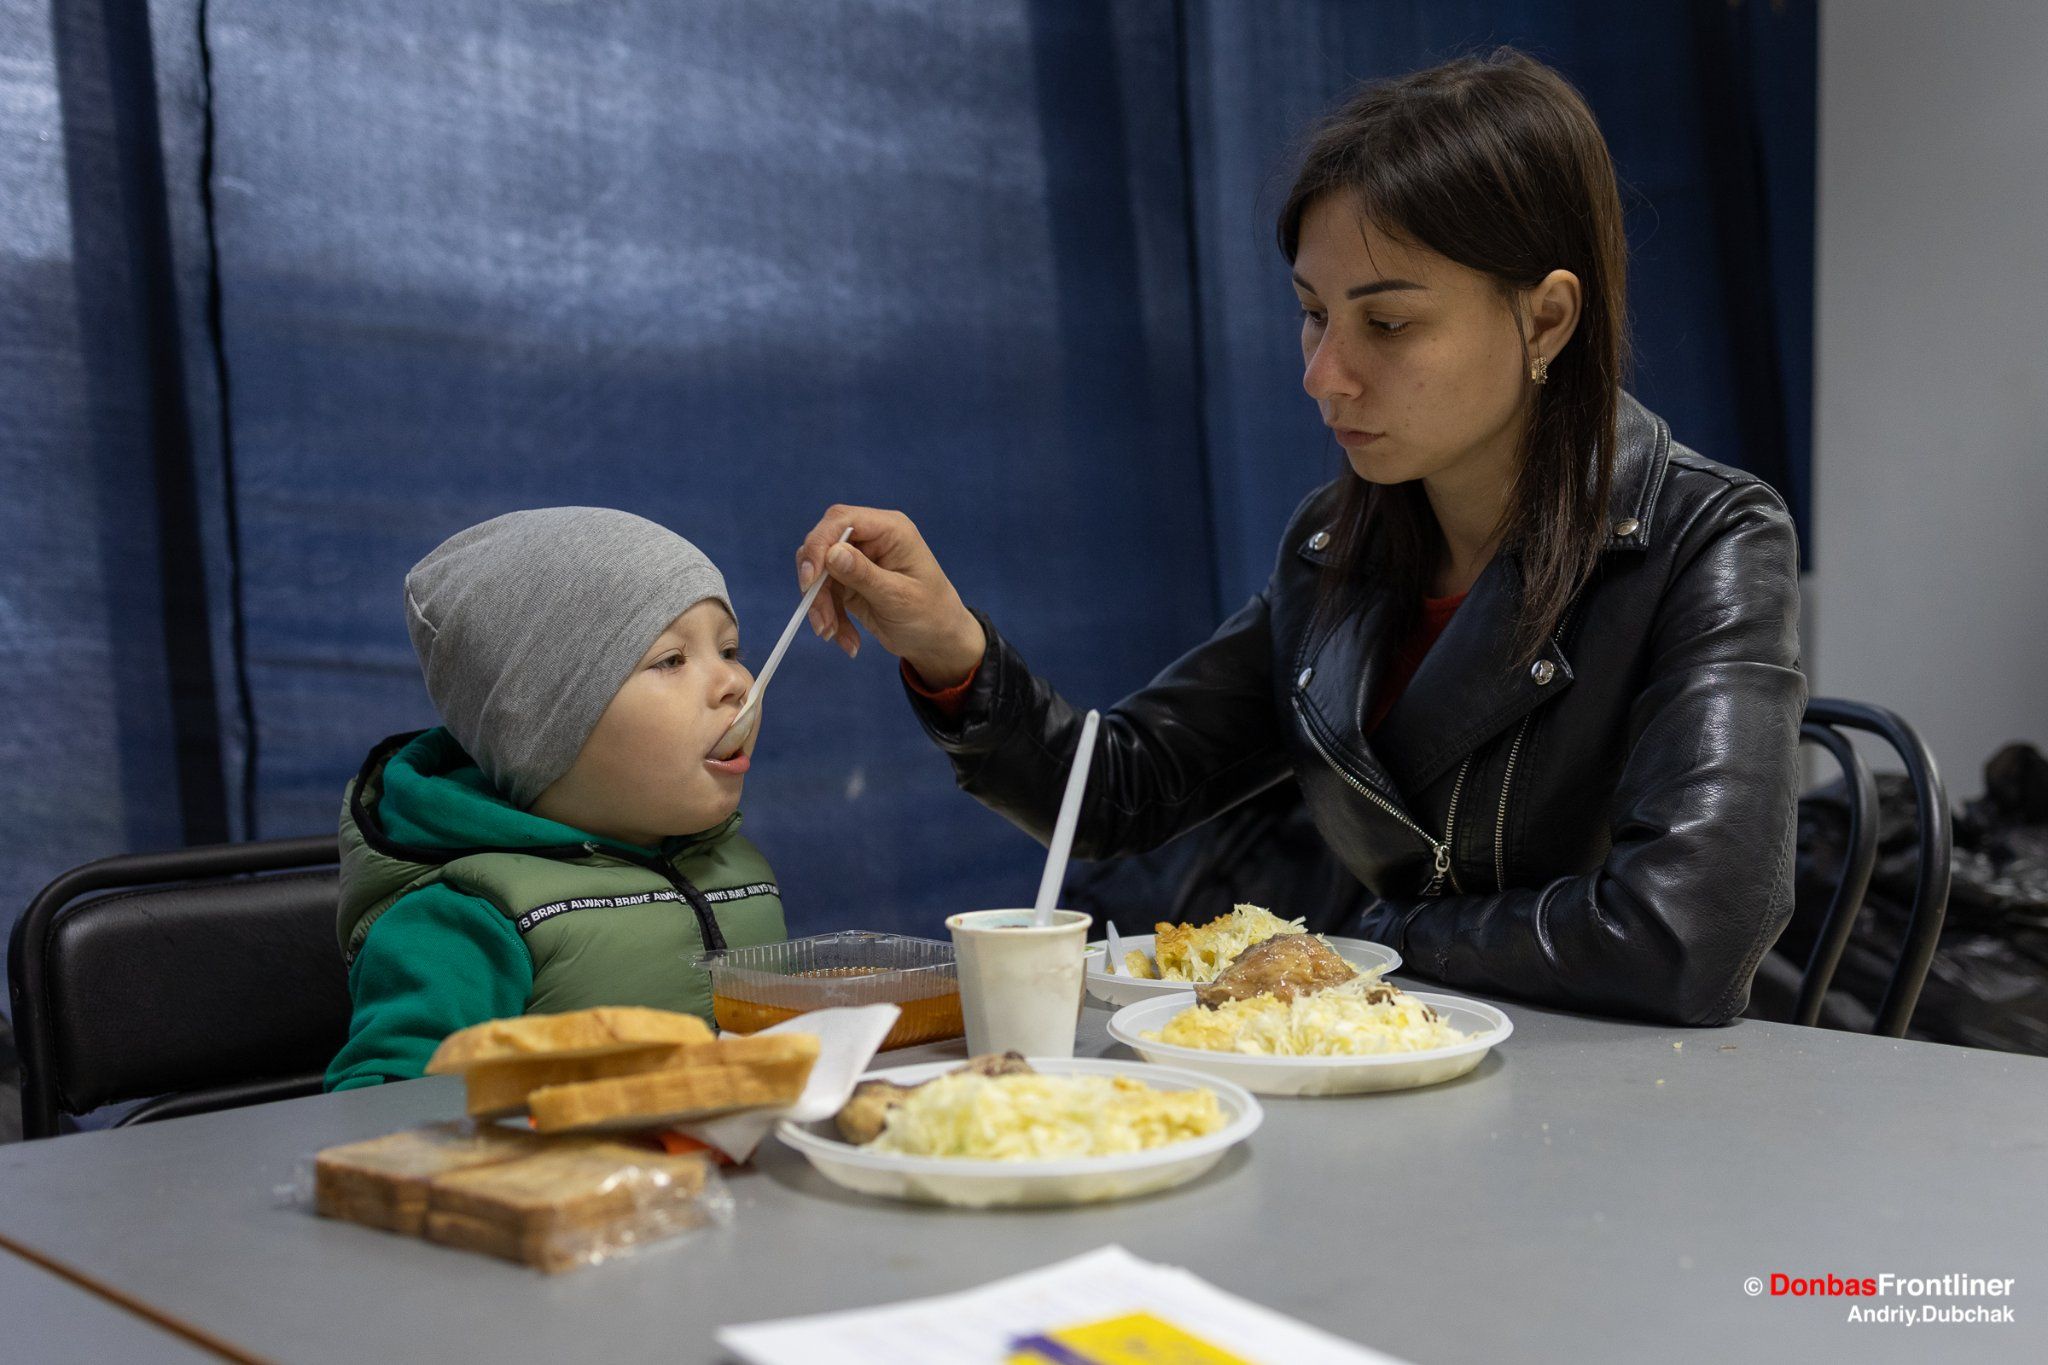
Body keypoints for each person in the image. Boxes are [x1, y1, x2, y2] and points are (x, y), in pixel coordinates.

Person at [792, 50, 1804, 1026]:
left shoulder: (1702, 537)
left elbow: (1683, 936)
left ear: (1543, 321)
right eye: (1311, 315)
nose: (1323, 374)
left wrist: (1377, 937)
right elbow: (1119, 794)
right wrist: (946, 647)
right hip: (1377, 1059)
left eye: (1389, 325)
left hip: (1617, 1103)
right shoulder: (1335, 547)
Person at [325, 507, 785, 1090]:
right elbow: (379, 1117)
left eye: (728, 650)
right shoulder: (465, 918)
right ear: (544, 728)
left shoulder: (743, 868)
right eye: (671, 660)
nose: (737, 684)